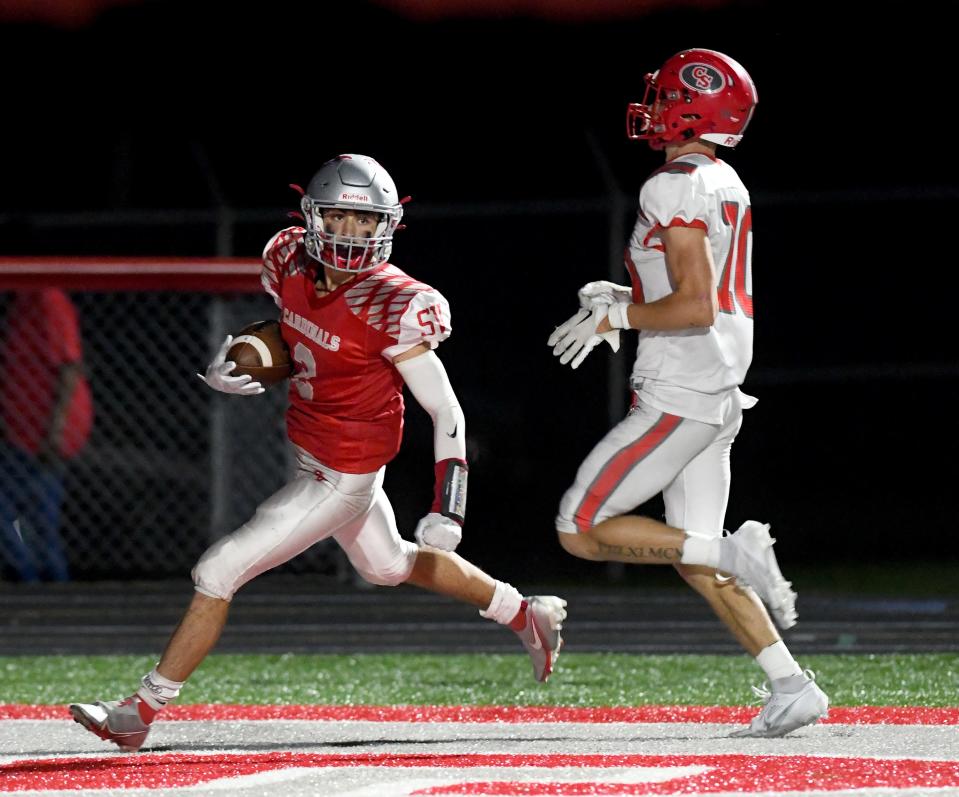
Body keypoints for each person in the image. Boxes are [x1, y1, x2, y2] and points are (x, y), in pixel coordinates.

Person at [69, 154, 567, 752]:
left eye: (367, 221)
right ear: (312, 218)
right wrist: (228, 367)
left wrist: (449, 508)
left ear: (387, 225)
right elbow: (291, 333)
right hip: (317, 455)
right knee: (388, 566)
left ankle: (139, 712)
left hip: (345, 474)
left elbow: (447, 412)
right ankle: (524, 612)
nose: (354, 233)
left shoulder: (396, 303)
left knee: (218, 568)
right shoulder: (288, 261)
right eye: (341, 217)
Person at [547, 49, 827, 738]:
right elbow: (697, 292)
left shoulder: (670, 185)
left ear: (691, 107)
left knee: (579, 529)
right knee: (689, 550)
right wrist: (621, 292)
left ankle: (739, 552)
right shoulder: (721, 178)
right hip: (717, 383)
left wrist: (617, 315)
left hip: (682, 388)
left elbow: (694, 304)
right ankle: (792, 686)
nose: (651, 106)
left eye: (663, 95)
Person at [0, 288, 92, 582]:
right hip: (20, 433)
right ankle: (39, 580)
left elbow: (69, 368)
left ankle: (40, 585)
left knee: (40, 521)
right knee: (35, 519)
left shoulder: (47, 299)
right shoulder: (21, 303)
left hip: (41, 436)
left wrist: (55, 432)